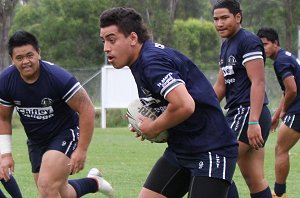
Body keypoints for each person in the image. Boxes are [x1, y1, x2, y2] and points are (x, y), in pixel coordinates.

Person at [99, 7, 238, 198]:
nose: (106, 47)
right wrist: (150, 124)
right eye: (104, 40)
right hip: (181, 149)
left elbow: (184, 104)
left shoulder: (151, 61)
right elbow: (170, 104)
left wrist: (154, 127)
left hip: (210, 150)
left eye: (112, 40)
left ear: (132, 38)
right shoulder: (140, 61)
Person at [0, 30, 114, 198]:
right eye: (19, 58)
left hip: (65, 133)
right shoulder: (6, 80)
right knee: (60, 191)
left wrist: (81, 150)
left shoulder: (58, 78)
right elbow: (3, 117)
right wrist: (6, 154)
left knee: (46, 185)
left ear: (39, 53)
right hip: (36, 141)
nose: (25, 62)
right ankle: (94, 182)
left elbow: (87, 109)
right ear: (12, 59)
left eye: (30, 55)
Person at [212, 1, 272, 198]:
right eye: (216, 19)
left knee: (217, 163)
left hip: (247, 114)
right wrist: (200, 109)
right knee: (254, 179)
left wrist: (254, 121)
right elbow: (221, 86)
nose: (219, 23)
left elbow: (258, 82)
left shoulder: (248, 41)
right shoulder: (226, 45)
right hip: (239, 114)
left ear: (238, 17)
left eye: (224, 18)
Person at [257, 27, 299, 198]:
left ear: (275, 43)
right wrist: (277, 114)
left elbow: (292, 90)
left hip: (298, 110)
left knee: (280, 149)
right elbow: (287, 91)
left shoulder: (280, 61)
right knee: (281, 148)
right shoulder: (286, 56)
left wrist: (284, 111)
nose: (263, 49)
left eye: (266, 44)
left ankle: (279, 194)